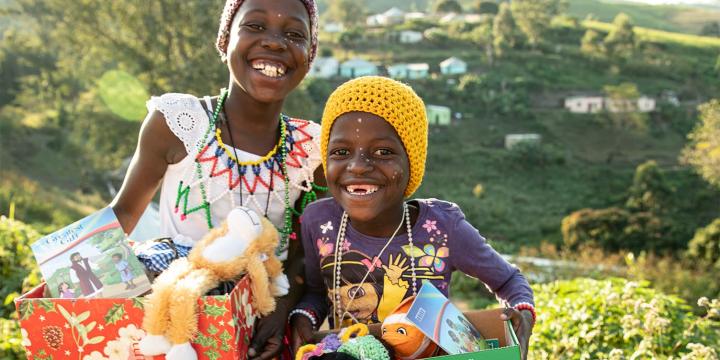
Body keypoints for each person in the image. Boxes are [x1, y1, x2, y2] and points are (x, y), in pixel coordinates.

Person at [110, 0, 324, 358]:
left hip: (262, 330)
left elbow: (304, 253)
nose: (274, 42)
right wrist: (66, 271)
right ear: (224, 41)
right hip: (175, 321)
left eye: (294, 34)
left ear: (309, 56)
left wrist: (282, 311)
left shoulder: (311, 148)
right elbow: (123, 215)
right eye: (254, 26)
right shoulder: (178, 122)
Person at [290, 76, 535, 359]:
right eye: (341, 152)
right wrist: (304, 316)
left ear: (412, 162)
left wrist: (523, 314)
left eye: (383, 152)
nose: (357, 166)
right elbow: (316, 292)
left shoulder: (442, 228)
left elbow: (508, 281)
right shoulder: (319, 221)